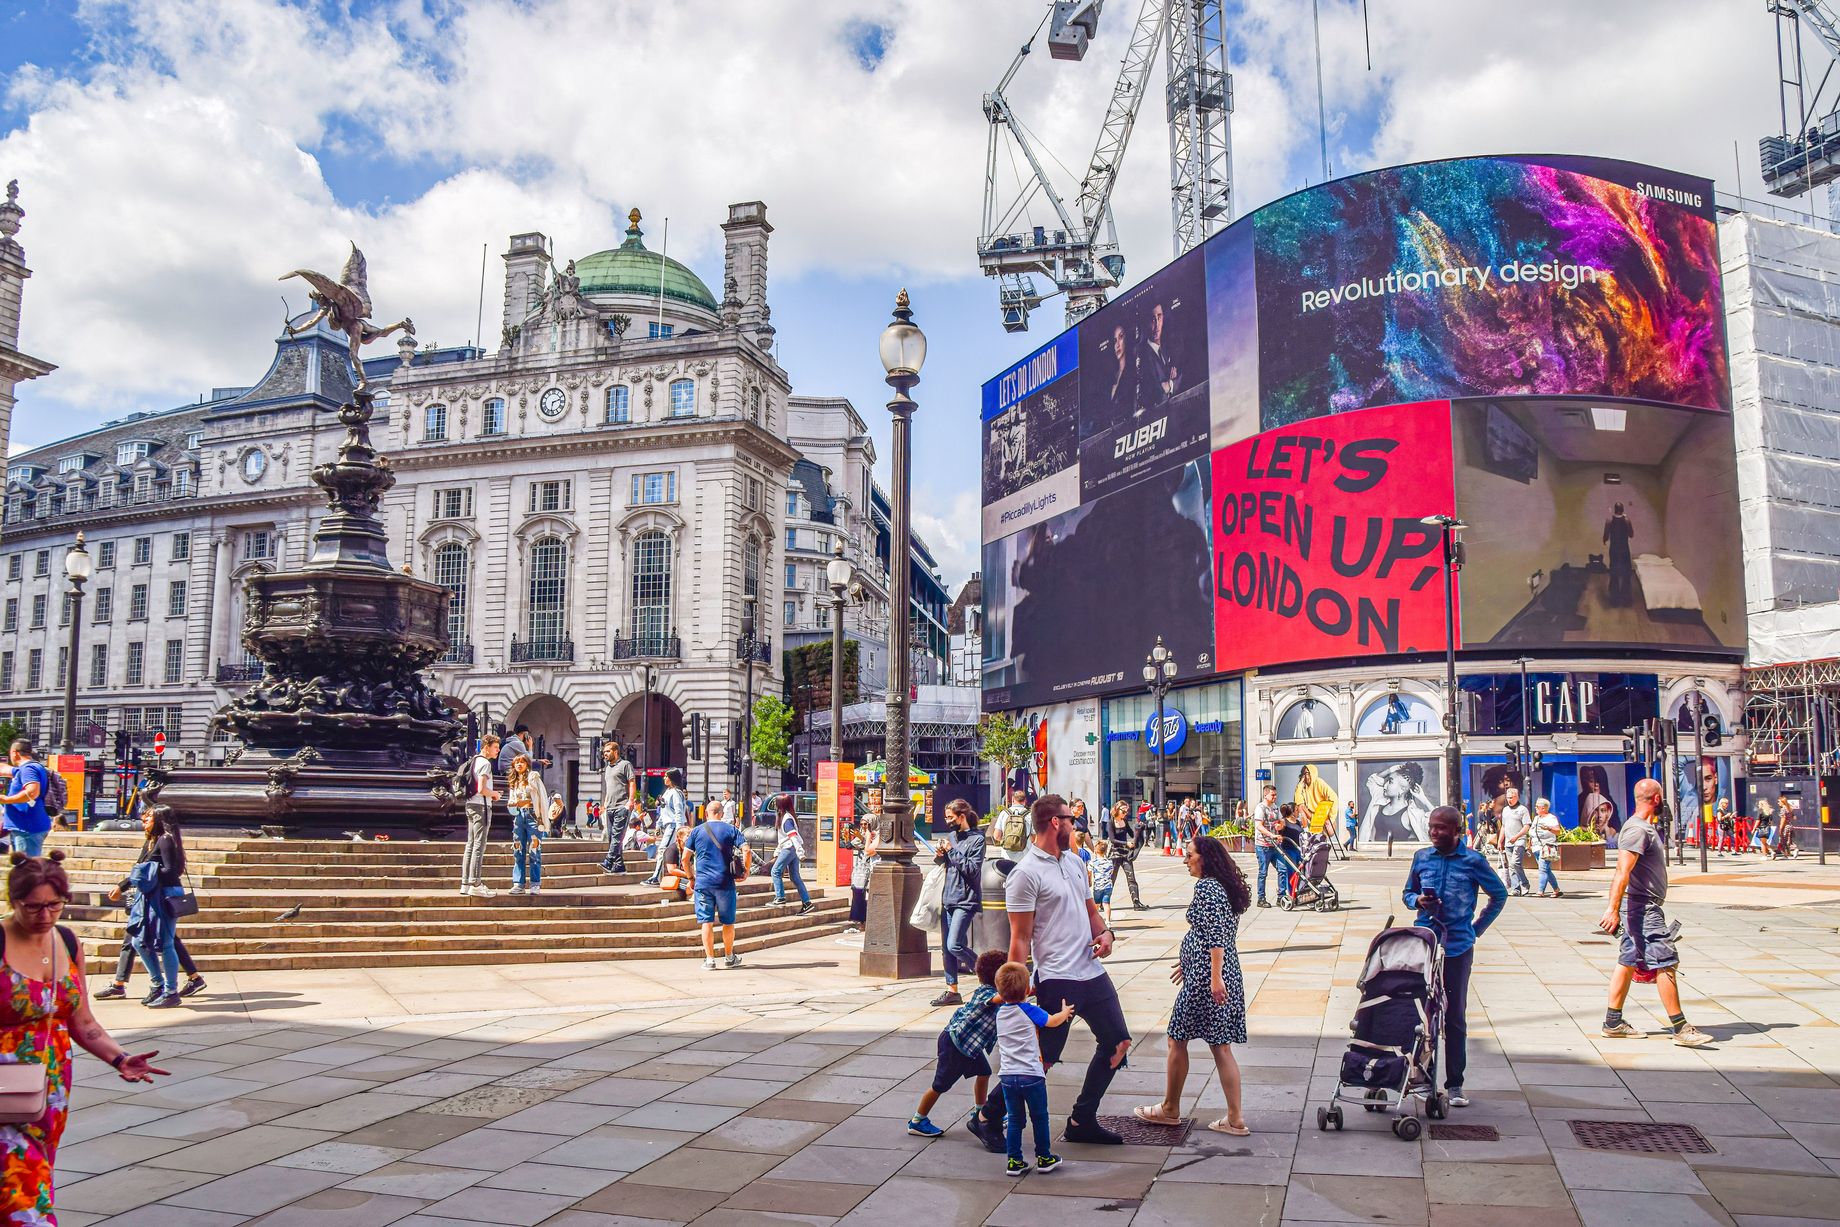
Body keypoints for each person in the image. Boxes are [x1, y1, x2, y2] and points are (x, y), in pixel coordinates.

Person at [3, 851, 171, 1222]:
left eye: (54, 905)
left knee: (37, 1174)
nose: (44, 916)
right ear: (13, 901)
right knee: (19, 1187)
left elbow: (82, 1021)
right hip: (2, 1080)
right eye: (32, 907)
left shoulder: (65, 941)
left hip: (49, 1086)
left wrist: (119, 1058)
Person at [1002, 794, 1130, 1146]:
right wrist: (1014, 987)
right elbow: (1020, 938)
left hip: (1090, 971)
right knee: (1042, 1059)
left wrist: (1105, 933)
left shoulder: (1074, 861)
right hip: (1057, 976)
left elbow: (1091, 912)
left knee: (1118, 1043)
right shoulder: (1025, 874)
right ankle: (988, 1116)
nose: (1076, 826)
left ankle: (1081, 1120)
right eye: (1071, 820)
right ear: (1055, 822)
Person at [1134, 834, 1253, 1135]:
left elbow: (1215, 939)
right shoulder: (1223, 886)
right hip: (1214, 972)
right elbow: (1216, 936)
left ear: (1205, 858)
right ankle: (1234, 1118)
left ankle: (1170, 1108)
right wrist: (1189, 962)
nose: (1185, 860)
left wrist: (1213, 977)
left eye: (1189, 855)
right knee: (1220, 1046)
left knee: (1177, 1038)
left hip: (1207, 978)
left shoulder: (1207, 887)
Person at [1402, 805, 1508, 1108]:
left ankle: (1455, 1083)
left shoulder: (1473, 861)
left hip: (1458, 947)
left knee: (1454, 1016)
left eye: (1441, 828)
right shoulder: (1421, 857)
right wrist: (1417, 900)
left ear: (1457, 831)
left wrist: (1476, 929)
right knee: (1422, 1016)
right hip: (1425, 943)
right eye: (1432, 827)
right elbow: (1407, 893)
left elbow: (1499, 895)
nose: (1434, 833)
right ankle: (1422, 1075)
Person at [1600, 778, 1712, 1047]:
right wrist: (1613, 909)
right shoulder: (1638, 830)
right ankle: (1681, 1028)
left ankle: (1613, 1022)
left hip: (1638, 905)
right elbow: (1621, 872)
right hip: (1642, 907)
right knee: (1665, 961)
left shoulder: (1641, 828)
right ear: (1657, 799)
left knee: (1627, 961)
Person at [907, 948, 1005, 1139]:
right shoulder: (986, 992)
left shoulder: (995, 992)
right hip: (955, 1045)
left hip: (969, 1047)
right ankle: (917, 1121)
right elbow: (1001, 998)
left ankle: (979, 1111)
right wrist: (1020, 986)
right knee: (940, 1085)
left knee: (984, 1073)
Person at [993, 959, 1073, 1176]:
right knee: (1039, 1117)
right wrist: (1065, 1013)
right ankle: (1044, 1157)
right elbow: (1052, 1021)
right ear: (1028, 990)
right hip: (1031, 1075)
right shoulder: (1029, 1010)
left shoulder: (1000, 1013)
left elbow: (1008, 997)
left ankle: (1014, 1161)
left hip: (1008, 1077)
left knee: (1015, 1119)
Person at [128, 804, 189, 1008]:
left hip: (165, 894)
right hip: (153, 894)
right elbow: (138, 868)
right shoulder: (151, 841)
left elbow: (172, 870)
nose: (144, 822)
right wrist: (124, 885)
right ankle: (158, 985)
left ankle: (171, 991)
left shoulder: (165, 840)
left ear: (160, 821)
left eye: (148, 819)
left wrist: (148, 872)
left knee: (166, 943)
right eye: (143, 818)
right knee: (139, 941)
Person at [932, 798, 986, 1008]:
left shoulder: (977, 840)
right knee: (947, 948)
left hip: (966, 899)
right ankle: (952, 990)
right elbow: (948, 865)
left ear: (962, 817)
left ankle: (988, 973)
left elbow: (972, 870)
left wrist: (951, 851)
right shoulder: (951, 837)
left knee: (954, 944)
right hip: (949, 897)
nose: (947, 821)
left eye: (950, 817)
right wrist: (940, 855)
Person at [685, 804, 749, 970]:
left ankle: (710, 960)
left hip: (703, 883)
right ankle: (729, 957)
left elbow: (685, 858)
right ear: (721, 814)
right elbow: (746, 850)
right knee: (728, 922)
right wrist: (746, 871)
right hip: (725, 882)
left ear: (706, 813)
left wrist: (691, 877)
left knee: (706, 922)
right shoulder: (731, 829)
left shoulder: (696, 831)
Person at [460, 734, 500, 898]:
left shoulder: (474, 760)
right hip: (481, 806)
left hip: (470, 804)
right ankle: (476, 883)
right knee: (479, 846)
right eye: (495, 747)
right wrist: (495, 794)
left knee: (470, 845)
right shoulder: (485, 763)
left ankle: (465, 884)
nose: (498, 750)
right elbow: (481, 789)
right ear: (486, 746)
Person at [505, 754, 551, 897]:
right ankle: (518, 883)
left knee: (534, 851)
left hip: (532, 816)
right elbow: (512, 800)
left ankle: (535, 884)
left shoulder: (533, 777)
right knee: (518, 850)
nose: (519, 764)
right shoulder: (513, 781)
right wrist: (512, 804)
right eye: (517, 762)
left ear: (527, 764)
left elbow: (541, 797)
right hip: (519, 816)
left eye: (522, 762)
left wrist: (543, 818)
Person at [1, 739, 52, 859]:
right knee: (25, 868)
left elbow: (32, 792)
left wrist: (6, 800)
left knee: (28, 867)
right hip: (26, 826)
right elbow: (4, 769)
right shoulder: (29, 768)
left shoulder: (28, 769)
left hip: (27, 828)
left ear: (15, 753)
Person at [1364, 762, 1434, 844]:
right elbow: (1372, 781)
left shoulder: (1413, 814)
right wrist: (1389, 770)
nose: (1385, 785)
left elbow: (1442, 822)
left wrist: (1424, 800)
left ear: (1402, 790)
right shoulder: (1380, 800)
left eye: (1390, 782)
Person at [770, 794, 815, 915]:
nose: (774, 805)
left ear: (781, 805)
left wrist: (800, 852)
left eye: (776, 802)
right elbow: (784, 838)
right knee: (794, 876)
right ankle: (807, 902)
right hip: (790, 848)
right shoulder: (785, 817)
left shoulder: (786, 819)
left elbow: (793, 836)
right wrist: (777, 852)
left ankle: (780, 897)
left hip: (790, 849)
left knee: (775, 871)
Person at [646, 769, 690, 886]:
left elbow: (679, 812)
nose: (664, 778)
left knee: (662, 849)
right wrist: (658, 825)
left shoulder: (676, 793)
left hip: (673, 825)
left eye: (666, 776)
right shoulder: (667, 792)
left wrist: (679, 830)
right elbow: (663, 810)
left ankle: (656, 876)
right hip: (668, 824)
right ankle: (659, 876)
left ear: (671, 778)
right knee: (664, 850)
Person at [598, 737, 635, 874]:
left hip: (622, 805)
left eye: (607, 751)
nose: (605, 754)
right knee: (611, 836)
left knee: (617, 836)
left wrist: (631, 801)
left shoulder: (625, 764)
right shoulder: (607, 768)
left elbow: (632, 782)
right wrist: (604, 804)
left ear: (616, 751)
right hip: (610, 807)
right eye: (604, 752)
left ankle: (609, 861)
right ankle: (619, 866)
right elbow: (609, 788)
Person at [1103, 802, 1146, 910]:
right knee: (1111, 879)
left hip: (1125, 854)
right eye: (1123, 811)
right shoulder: (1110, 822)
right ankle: (1104, 903)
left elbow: (1132, 834)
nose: (1125, 813)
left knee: (1131, 878)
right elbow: (1112, 839)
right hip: (1114, 854)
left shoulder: (1125, 821)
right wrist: (1125, 843)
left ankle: (1136, 902)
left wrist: (1139, 830)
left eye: (1127, 811)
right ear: (1117, 810)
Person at [1253, 784, 1288, 908]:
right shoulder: (1260, 808)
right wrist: (1271, 835)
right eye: (1273, 795)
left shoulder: (1275, 807)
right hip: (1263, 846)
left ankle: (1281, 896)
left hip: (1275, 846)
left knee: (1282, 869)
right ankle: (1261, 899)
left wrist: (1281, 825)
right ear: (1265, 794)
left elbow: (1282, 821)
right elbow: (1259, 826)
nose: (1275, 797)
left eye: (1275, 794)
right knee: (1263, 872)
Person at [1498, 786, 1533, 897]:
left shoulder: (1522, 810)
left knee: (1515, 863)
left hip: (1519, 841)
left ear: (1517, 797)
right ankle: (1515, 888)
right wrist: (1500, 841)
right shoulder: (1505, 810)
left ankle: (1524, 884)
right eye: (1508, 798)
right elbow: (1504, 826)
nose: (1510, 800)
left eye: (1512, 797)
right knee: (1511, 866)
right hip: (1508, 842)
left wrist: (1517, 836)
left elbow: (1527, 826)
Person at [847, 820, 880, 931]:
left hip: (871, 872)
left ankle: (867, 922)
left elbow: (868, 850)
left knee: (868, 897)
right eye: (861, 824)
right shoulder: (863, 835)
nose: (864, 826)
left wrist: (865, 838)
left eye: (866, 824)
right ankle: (861, 921)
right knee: (858, 894)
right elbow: (848, 845)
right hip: (860, 872)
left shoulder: (877, 836)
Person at [1531, 798, 1565, 898]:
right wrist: (1529, 844)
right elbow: (1533, 832)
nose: (1535, 808)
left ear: (1544, 808)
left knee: (1542, 870)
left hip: (1546, 847)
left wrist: (1549, 828)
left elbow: (1558, 831)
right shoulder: (1536, 818)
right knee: (1546, 870)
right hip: (1536, 847)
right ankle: (1556, 890)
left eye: (1537, 806)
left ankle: (1540, 891)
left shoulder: (1551, 818)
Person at [1604, 502, 1636, 606]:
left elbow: (1606, 537)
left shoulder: (1609, 521)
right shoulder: (1627, 521)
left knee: (1614, 573)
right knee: (1626, 573)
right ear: (1622, 510)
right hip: (1624, 549)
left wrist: (1604, 541)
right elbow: (1631, 535)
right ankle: (1626, 599)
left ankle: (1614, 600)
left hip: (1614, 549)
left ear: (1614, 509)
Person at [1293, 764, 1337, 837]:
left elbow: (1334, 798)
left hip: (1322, 816)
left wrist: (1331, 818)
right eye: (1304, 774)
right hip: (1310, 815)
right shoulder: (1302, 786)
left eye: (1308, 773)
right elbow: (1298, 801)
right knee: (1300, 806)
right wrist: (1300, 785)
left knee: (1328, 832)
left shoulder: (1319, 782)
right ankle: (1306, 831)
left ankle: (1317, 831)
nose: (1306, 776)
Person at [992, 789, 1031, 864]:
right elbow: (1034, 838)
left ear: (1013, 799)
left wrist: (1008, 841)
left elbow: (996, 836)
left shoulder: (1004, 813)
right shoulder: (1029, 815)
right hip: (1024, 857)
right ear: (1025, 800)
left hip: (1006, 857)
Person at [1090, 840, 1116, 925]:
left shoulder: (1093, 863)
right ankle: (1108, 921)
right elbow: (1111, 872)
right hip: (1108, 886)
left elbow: (1089, 873)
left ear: (1095, 851)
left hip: (1098, 887)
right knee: (1106, 903)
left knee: (1096, 904)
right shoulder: (1109, 862)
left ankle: (1094, 921)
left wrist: (1089, 881)